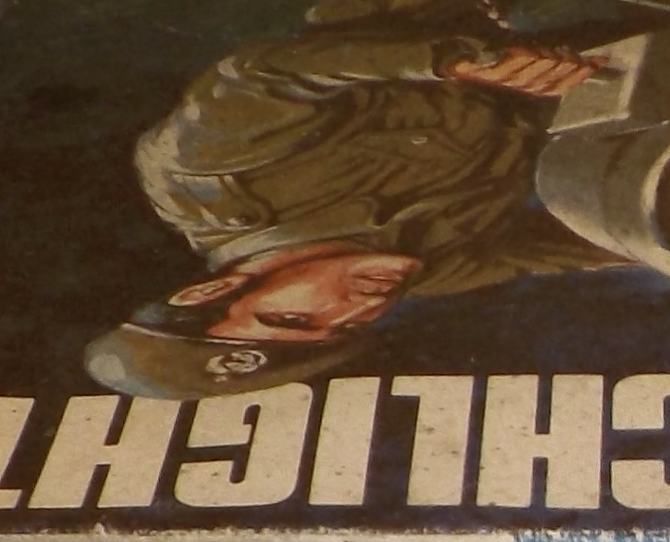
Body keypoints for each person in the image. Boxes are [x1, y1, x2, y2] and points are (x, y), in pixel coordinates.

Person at [83, 33, 617, 398]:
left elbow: (263, 74)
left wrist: (457, 61)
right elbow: (595, 243)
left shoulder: (199, 179)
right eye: (338, 332)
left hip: (439, 16)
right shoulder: (429, 274)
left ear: (209, 292)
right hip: (593, 68)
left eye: (294, 320)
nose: (357, 311)